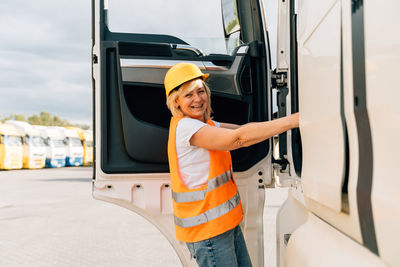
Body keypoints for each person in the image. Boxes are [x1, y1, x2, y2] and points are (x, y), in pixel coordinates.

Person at [164, 63, 299, 267]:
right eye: (188, 95)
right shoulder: (186, 127)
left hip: (223, 227)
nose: (198, 99)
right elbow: (238, 139)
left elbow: (242, 132)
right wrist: (294, 121)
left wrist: (274, 126)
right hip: (208, 234)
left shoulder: (205, 125)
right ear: (176, 102)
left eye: (201, 91)